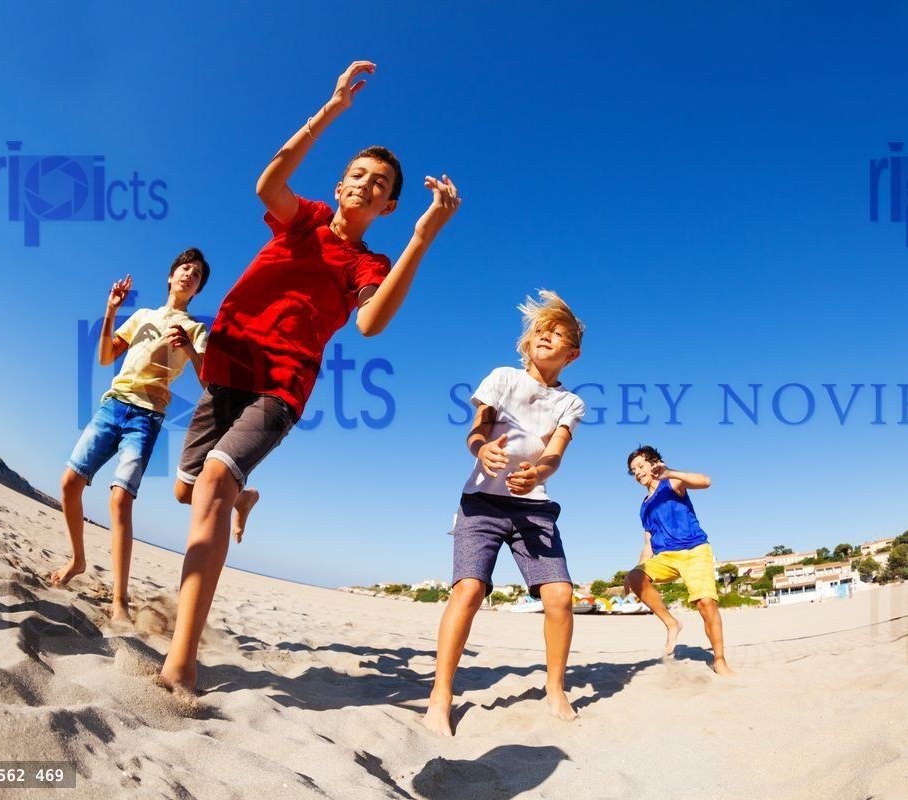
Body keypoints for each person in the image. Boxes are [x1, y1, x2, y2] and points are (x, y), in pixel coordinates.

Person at [159, 60, 461, 692]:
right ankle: (244, 495)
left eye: (379, 183)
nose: (365, 185)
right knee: (190, 493)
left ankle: (181, 663)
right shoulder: (305, 217)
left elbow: (371, 323)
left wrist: (422, 238)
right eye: (358, 174)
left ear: (390, 203)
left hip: (282, 385)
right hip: (226, 367)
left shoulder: (369, 258)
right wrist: (331, 109)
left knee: (211, 481)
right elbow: (269, 182)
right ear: (341, 180)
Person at [423, 290, 586, 737]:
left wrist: (537, 473)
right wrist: (484, 450)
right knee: (470, 590)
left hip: (534, 508)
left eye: (558, 335)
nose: (546, 337)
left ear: (571, 354)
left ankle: (555, 687)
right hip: (481, 502)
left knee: (560, 597)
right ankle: (441, 694)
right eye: (541, 330)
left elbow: (554, 455)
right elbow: (475, 433)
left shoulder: (570, 404)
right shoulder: (501, 378)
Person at [51, 249, 210, 625]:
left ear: (197, 289)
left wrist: (188, 347)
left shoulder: (196, 328)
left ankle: (119, 601)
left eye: (198, 275)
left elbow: (208, 381)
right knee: (70, 483)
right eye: (185, 269)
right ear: (171, 277)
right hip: (113, 406)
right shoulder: (141, 316)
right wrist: (111, 309)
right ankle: (78, 559)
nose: (190, 275)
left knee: (121, 499)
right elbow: (107, 356)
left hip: (147, 416)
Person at [625, 445, 734, 676]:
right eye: (633, 470)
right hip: (666, 556)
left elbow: (706, 481)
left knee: (706, 604)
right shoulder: (644, 506)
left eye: (641, 466)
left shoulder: (671, 483)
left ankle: (720, 660)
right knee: (635, 575)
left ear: (654, 463)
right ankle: (672, 623)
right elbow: (648, 544)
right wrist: (634, 573)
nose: (637, 472)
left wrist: (671, 472)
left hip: (695, 550)